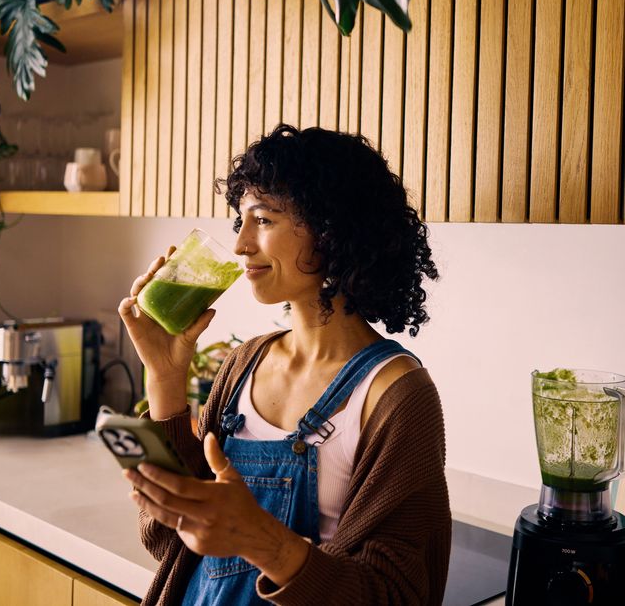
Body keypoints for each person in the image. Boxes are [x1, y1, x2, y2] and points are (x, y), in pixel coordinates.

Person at [117, 124, 450, 605]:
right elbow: (171, 545)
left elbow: (395, 596)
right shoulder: (244, 364)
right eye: (241, 221)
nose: (240, 245)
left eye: (264, 220)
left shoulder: (397, 396)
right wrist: (165, 378)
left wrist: (262, 540)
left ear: (331, 228)